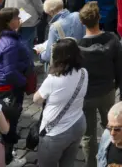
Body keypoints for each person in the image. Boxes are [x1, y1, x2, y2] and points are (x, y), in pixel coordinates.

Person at [76, 3, 122, 165]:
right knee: (111, 126)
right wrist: (116, 84)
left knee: (88, 135)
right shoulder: (112, 39)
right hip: (107, 90)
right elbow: (121, 66)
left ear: (82, 22)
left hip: (86, 95)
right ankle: (114, 158)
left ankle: (91, 163)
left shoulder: (78, 47)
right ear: (99, 18)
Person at [0, 7, 32, 162]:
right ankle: (7, 155)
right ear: (9, 22)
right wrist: (24, 82)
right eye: (17, 18)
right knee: (10, 121)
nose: (20, 20)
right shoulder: (10, 44)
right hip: (9, 89)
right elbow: (10, 72)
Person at [33, 39, 88, 167]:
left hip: (55, 132)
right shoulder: (84, 73)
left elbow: (36, 99)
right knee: (68, 163)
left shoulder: (52, 80)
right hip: (78, 123)